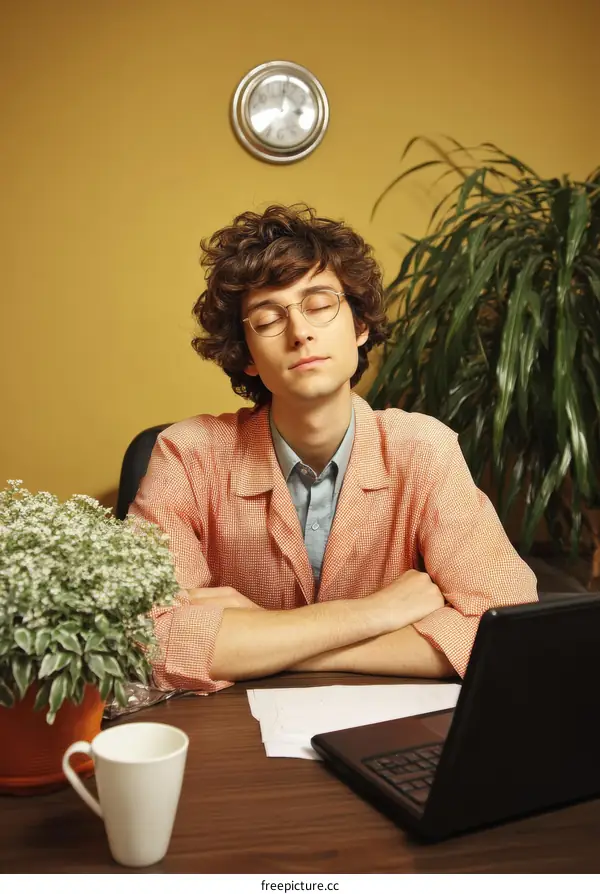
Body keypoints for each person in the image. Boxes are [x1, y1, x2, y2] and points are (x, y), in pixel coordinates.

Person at [128, 203, 538, 694]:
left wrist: (269, 642)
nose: (300, 332)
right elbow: (144, 638)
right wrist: (373, 613)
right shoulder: (187, 454)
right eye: (268, 318)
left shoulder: (423, 449)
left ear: (360, 326)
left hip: (385, 726)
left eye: (320, 305)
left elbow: (508, 629)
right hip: (232, 733)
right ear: (247, 356)